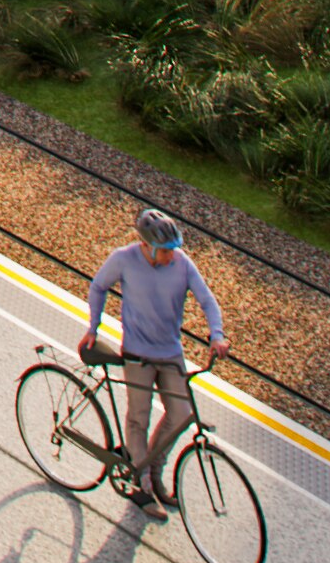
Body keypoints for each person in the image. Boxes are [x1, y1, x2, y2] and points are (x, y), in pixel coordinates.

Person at [79, 208, 231, 518]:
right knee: (139, 417)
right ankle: (141, 484)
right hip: (138, 354)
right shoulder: (123, 259)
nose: (172, 256)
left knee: (182, 413)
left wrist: (217, 335)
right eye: (166, 251)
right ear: (147, 247)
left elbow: (207, 300)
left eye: (175, 249)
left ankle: (154, 468)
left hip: (171, 355)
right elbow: (98, 287)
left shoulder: (182, 264)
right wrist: (93, 327)